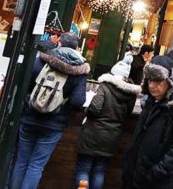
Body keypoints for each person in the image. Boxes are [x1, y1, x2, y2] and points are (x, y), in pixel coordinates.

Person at [11, 32, 90, 189]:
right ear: (76, 48)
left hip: (30, 117)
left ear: (59, 43)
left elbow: (23, 84)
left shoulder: (41, 59)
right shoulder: (80, 70)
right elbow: (78, 101)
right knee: (36, 165)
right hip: (54, 124)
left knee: (21, 161)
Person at [121, 55, 173, 189]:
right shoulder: (152, 102)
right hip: (137, 176)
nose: (152, 85)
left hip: (161, 182)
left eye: (158, 81)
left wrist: (154, 174)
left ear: (170, 81)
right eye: (150, 80)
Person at [74, 57, 140, 189]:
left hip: (93, 133)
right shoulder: (131, 94)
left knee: (83, 169)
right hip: (112, 136)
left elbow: (95, 108)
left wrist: (87, 111)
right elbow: (128, 113)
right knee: (99, 170)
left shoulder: (105, 87)